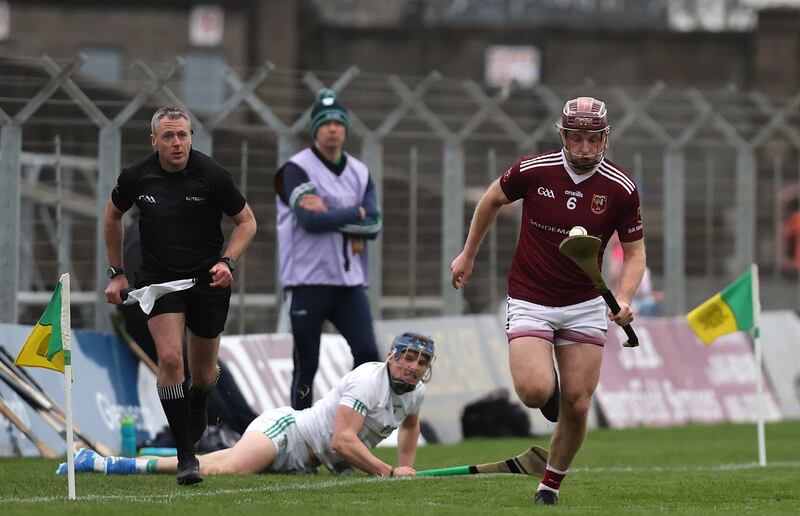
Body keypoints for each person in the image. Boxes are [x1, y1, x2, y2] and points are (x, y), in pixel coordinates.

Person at [450, 96, 645, 506]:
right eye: (577, 139)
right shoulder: (533, 170)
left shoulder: (620, 187)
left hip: (585, 301)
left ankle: (549, 485)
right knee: (535, 391)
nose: (585, 148)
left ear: (605, 138)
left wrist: (623, 298)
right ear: (564, 136)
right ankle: (549, 390)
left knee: (578, 403)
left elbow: (635, 253)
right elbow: (490, 200)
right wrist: (468, 254)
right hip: (531, 295)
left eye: (593, 140)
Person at [103, 105, 257, 485]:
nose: (177, 143)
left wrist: (229, 262)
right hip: (158, 282)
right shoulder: (136, 177)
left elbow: (247, 223)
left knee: (203, 374)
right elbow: (110, 217)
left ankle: (199, 403)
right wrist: (117, 274)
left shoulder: (212, 176)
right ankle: (186, 455)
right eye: (168, 136)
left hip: (207, 282)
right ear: (154, 140)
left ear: (192, 138)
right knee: (171, 360)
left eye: (183, 135)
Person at [57, 331, 435, 479]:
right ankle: (111, 464)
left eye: (421, 362)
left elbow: (411, 426)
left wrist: (406, 466)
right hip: (287, 434)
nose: (413, 366)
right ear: (390, 356)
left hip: (305, 462)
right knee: (228, 468)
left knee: (219, 462)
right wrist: (388, 472)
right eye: (407, 357)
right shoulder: (368, 381)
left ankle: (103, 460)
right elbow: (342, 440)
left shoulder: (415, 393)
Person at [274, 88, 381, 410]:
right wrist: (354, 213)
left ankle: (344, 421)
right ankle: (300, 434)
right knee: (306, 364)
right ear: (314, 129)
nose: (332, 128)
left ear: (346, 128)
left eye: (338, 122)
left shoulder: (360, 172)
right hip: (307, 281)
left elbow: (374, 225)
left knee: (367, 355)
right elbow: (308, 220)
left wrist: (332, 213)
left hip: (348, 284)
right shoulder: (295, 170)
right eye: (324, 123)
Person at [115, 207, 258, 439]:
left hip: (159, 313)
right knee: (197, 374)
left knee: (208, 368)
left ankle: (247, 425)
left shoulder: (146, 228)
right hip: (151, 317)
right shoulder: (155, 232)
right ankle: (233, 426)